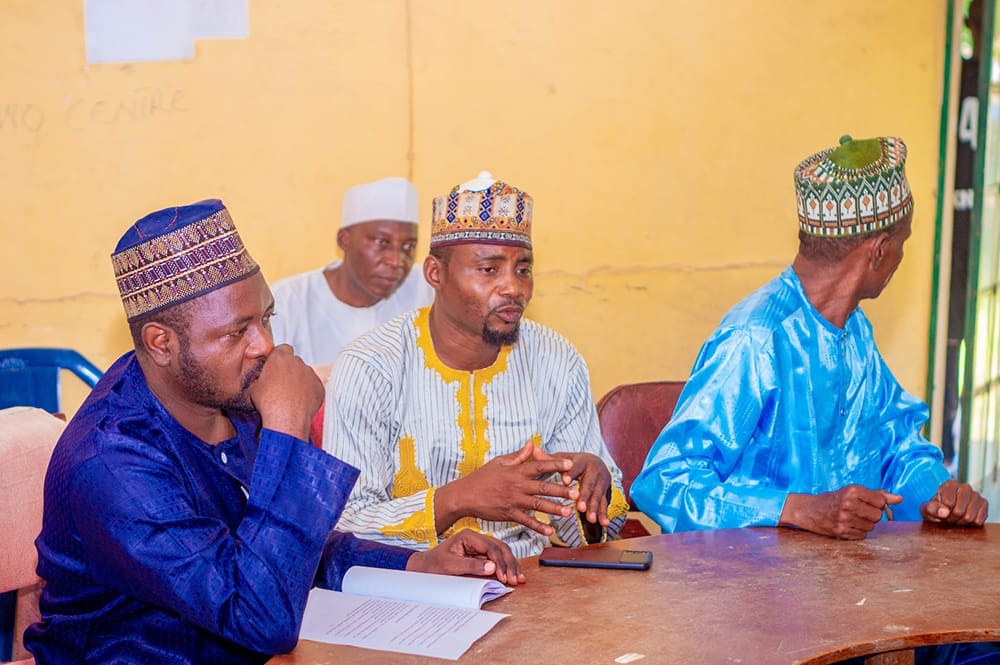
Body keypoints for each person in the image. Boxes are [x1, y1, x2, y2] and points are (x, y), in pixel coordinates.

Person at [24, 200, 522, 665]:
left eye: (265, 317)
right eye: (237, 331)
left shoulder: (224, 398)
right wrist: (287, 426)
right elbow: (258, 616)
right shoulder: (113, 462)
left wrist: (417, 565)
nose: (264, 345)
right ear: (161, 343)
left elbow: (291, 547)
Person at [632, 136, 989, 540]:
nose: (900, 258)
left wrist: (938, 496)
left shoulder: (854, 331)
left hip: (845, 589)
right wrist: (796, 509)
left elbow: (895, 445)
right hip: (750, 594)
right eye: (902, 242)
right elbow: (664, 483)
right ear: (879, 250)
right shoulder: (756, 339)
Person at [323, 172, 629, 559]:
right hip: (407, 589)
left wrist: (589, 491)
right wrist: (456, 500)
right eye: (489, 270)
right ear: (436, 273)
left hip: (527, 583)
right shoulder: (370, 367)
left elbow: (582, 536)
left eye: (523, 269)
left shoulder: (556, 360)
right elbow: (344, 526)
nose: (513, 288)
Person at [270, 177, 433, 368]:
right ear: (344, 240)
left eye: (408, 246)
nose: (396, 261)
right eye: (382, 242)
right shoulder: (287, 303)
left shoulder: (428, 291)